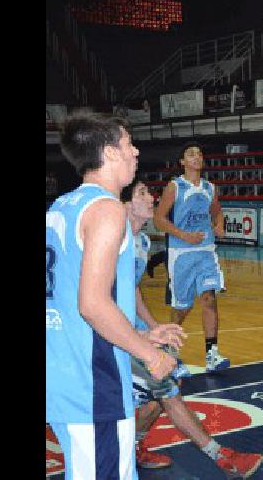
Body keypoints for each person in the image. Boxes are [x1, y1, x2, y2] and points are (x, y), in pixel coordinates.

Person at [46, 111, 185, 479]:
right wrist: (149, 355)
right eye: (128, 144)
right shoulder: (107, 210)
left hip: (64, 370)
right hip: (93, 382)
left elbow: (67, 298)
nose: (136, 152)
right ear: (108, 152)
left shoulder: (61, 206)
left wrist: (139, 333)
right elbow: (92, 304)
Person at [120, 179, 263, 478]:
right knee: (166, 387)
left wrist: (152, 325)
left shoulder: (142, 242)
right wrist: (138, 335)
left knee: (171, 380)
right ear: (125, 204)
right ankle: (222, 457)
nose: (152, 197)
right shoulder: (115, 241)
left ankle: (132, 445)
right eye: (143, 193)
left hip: (133, 330)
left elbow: (132, 291)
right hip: (112, 333)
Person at [152, 143, 231, 374]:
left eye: (199, 154)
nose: (197, 157)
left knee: (209, 297)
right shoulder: (175, 187)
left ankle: (212, 354)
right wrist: (183, 234)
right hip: (181, 254)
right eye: (191, 154)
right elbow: (159, 219)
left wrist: (219, 225)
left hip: (206, 251)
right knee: (182, 306)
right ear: (182, 162)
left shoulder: (210, 188)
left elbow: (217, 211)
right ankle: (169, 348)